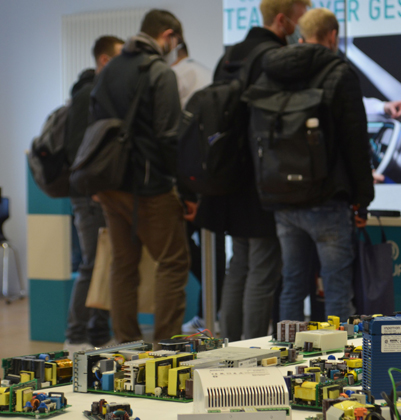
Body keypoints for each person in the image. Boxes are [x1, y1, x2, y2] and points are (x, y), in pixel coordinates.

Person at [195, 0, 310, 342]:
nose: (304, 20)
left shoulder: (230, 55)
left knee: (238, 267)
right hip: (262, 181)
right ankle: (250, 354)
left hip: (228, 178)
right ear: (282, 19)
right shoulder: (274, 57)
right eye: (302, 12)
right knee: (262, 272)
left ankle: (229, 348)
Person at [256, 7, 373, 321]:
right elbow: (355, 142)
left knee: (292, 285)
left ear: (301, 35)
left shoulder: (273, 72)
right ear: (332, 36)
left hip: (282, 196)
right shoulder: (340, 72)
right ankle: (340, 364)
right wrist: (363, 199)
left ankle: (286, 358)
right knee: (336, 291)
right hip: (327, 198)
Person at [90, 10, 190, 343]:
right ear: (167, 35)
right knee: (173, 261)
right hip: (148, 187)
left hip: (110, 184)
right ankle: (167, 348)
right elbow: (168, 137)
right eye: (176, 41)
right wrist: (183, 188)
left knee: (123, 265)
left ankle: (127, 345)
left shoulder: (111, 69)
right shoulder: (159, 72)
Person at [64, 35, 124, 351]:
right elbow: (78, 151)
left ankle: (99, 334)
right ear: (104, 60)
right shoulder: (86, 95)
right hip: (89, 196)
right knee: (91, 263)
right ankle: (75, 336)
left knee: (104, 260)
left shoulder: (100, 93)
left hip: (100, 194)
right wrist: (95, 189)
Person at [170, 41, 226, 334]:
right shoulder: (203, 74)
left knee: (195, 253)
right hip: (207, 179)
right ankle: (208, 314)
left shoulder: (177, 76)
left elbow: (175, 140)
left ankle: (208, 316)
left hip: (191, 182)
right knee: (206, 253)